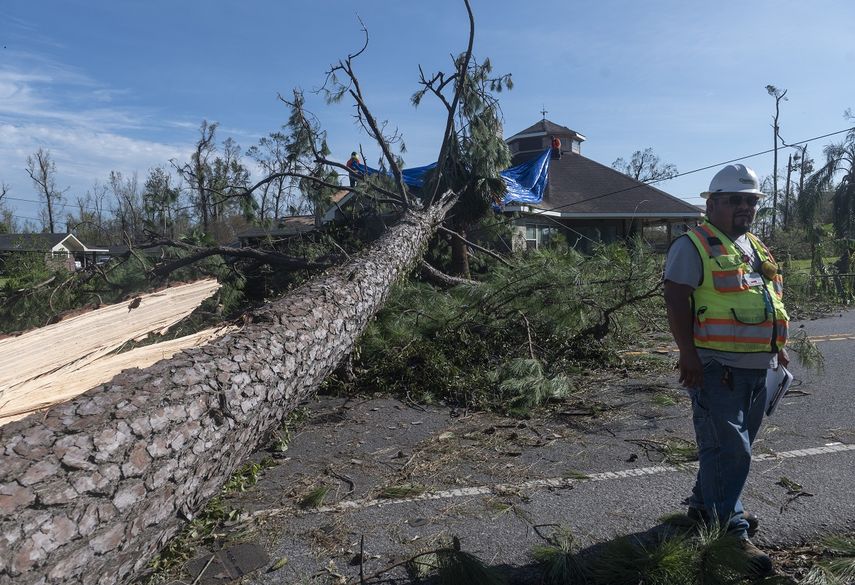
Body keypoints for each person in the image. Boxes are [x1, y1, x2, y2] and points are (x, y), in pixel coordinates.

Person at [663, 164, 788, 576]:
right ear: (712, 203)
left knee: (730, 446)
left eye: (751, 200)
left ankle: (704, 508)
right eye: (735, 199)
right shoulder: (693, 244)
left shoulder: (754, 246)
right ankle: (730, 535)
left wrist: (778, 350)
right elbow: (676, 298)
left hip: (759, 368)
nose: (745, 207)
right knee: (731, 449)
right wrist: (688, 353)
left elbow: (767, 299)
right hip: (717, 368)